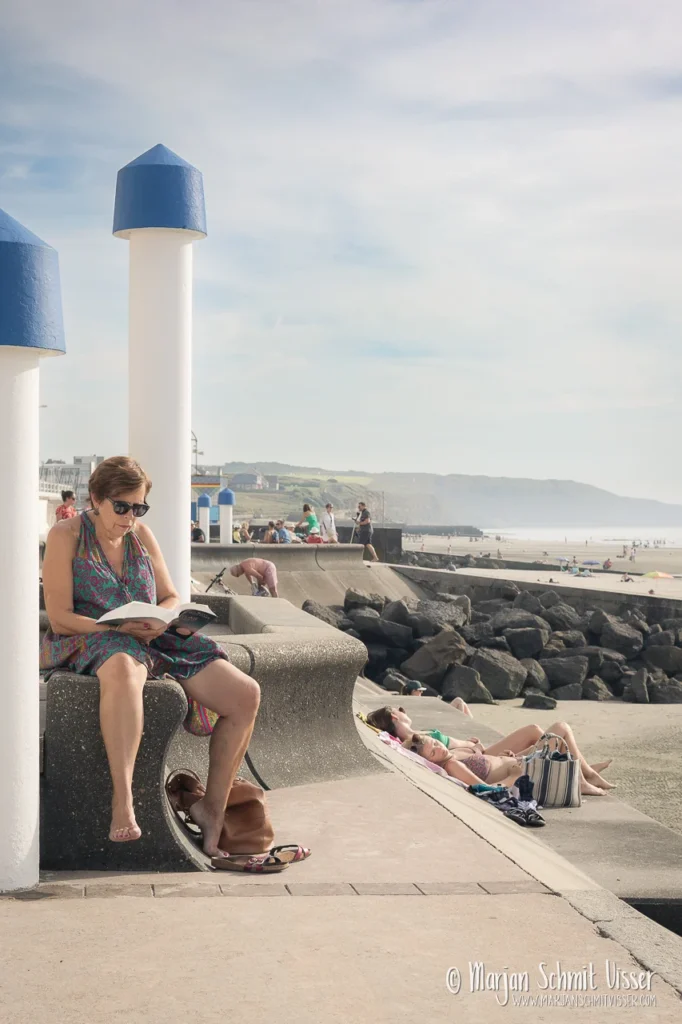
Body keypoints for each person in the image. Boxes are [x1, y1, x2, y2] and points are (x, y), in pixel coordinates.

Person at [40, 456, 262, 861]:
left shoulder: (141, 535)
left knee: (245, 694)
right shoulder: (66, 535)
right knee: (123, 667)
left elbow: (170, 594)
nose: (130, 516)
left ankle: (211, 809)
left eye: (138, 507)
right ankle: (122, 800)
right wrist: (116, 629)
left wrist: (167, 618)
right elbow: (59, 617)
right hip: (92, 637)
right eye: (121, 506)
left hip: (151, 637)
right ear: (96, 499)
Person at [367, 707, 614, 796]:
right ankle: (582, 779)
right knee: (559, 730)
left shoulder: (446, 756)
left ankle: (586, 775)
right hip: (520, 769)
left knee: (553, 730)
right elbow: (482, 789)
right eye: (434, 748)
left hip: (509, 760)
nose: (438, 745)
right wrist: (511, 775)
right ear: (393, 716)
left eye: (436, 744)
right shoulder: (448, 763)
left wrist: (501, 758)